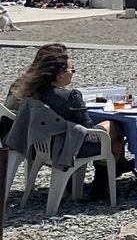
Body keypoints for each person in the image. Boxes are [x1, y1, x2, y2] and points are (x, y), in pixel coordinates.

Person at [5, 46, 126, 199]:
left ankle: (102, 177)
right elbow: (88, 129)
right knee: (115, 127)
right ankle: (103, 181)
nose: (73, 74)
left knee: (110, 132)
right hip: (70, 149)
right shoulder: (70, 96)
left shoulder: (31, 93)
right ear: (59, 74)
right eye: (71, 70)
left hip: (38, 146)